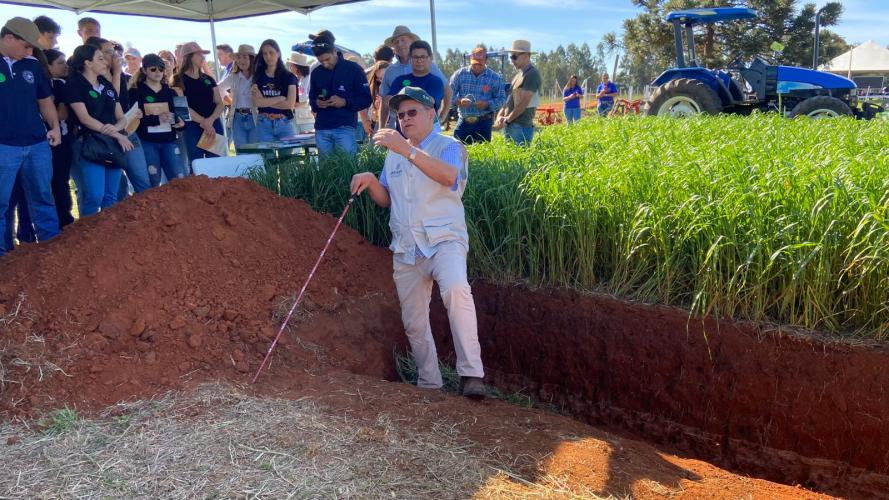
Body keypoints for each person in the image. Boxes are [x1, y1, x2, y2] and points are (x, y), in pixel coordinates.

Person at [349, 87, 485, 400]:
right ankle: (429, 384)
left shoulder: (449, 146)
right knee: (413, 320)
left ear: (431, 114)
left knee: (455, 289)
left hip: (444, 240)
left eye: (412, 112)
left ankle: (471, 374)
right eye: (400, 114)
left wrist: (408, 151)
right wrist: (371, 181)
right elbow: (386, 198)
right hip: (406, 246)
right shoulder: (393, 155)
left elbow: (450, 177)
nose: (405, 119)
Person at [0, 17, 61, 256]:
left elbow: (45, 100)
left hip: (37, 144)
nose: (29, 51)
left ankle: (52, 252)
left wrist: (54, 126)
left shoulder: (33, 65)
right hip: (3, 146)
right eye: (26, 46)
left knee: (43, 199)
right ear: (8, 38)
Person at [64, 44, 133, 217]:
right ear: (87, 63)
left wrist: (116, 128)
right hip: (89, 144)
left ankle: (106, 237)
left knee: (110, 195)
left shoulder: (107, 86)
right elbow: (85, 119)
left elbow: (122, 117)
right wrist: (117, 134)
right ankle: (87, 236)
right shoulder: (74, 85)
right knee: (95, 195)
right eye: (100, 59)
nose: (106, 62)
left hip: (113, 144)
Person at [308, 35, 371, 158]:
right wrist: (317, 103)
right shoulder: (316, 73)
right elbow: (312, 100)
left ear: (334, 51)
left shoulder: (354, 70)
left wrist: (345, 102)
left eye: (327, 59)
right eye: (321, 61)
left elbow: (366, 99)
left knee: (347, 169)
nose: (325, 64)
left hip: (344, 128)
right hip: (322, 129)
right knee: (326, 171)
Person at [128, 53, 185, 187]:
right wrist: (156, 119)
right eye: (153, 69)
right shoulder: (134, 92)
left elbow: (184, 119)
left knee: (180, 179)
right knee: (153, 181)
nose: (158, 72)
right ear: (144, 70)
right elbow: (133, 121)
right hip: (147, 142)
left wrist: (180, 123)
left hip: (170, 141)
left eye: (161, 69)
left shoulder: (173, 93)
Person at [379, 25, 450, 129]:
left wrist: (442, 116)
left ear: (412, 41)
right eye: (396, 42)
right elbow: (385, 100)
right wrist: (382, 127)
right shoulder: (390, 71)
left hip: (427, 125)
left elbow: (447, 91)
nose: (400, 44)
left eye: (403, 40)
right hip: (400, 123)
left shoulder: (429, 66)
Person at [171, 41, 224, 170]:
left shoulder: (208, 79)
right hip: (191, 127)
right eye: (199, 54)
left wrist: (210, 121)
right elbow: (182, 108)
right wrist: (203, 122)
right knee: (196, 164)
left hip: (213, 125)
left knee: (216, 164)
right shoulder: (177, 79)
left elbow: (219, 103)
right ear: (189, 57)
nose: (203, 57)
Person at [449, 47, 506, 144]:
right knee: (457, 151)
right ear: (470, 59)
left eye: (480, 63)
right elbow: (448, 95)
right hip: (463, 121)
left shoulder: (495, 78)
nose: (477, 66)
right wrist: (459, 101)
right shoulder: (459, 74)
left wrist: (487, 104)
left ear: (486, 60)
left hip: (484, 123)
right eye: (474, 63)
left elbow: (501, 99)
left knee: (483, 155)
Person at [386, 40, 444, 133]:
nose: (419, 60)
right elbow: (389, 101)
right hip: (402, 136)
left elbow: (430, 101)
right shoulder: (399, 80)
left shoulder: (436, 82)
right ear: (410, 58)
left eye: (423, 57)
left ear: (430, 58)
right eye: (415, 57)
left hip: (428, 135)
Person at [46, 48, 74, 227]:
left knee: (60, 182)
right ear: (47, 66)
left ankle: (64, 221)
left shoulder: (61, 84)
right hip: (46, 141)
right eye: (60, 63)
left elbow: (62, 114)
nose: (66, 66)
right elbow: (61, 114)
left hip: (59, 140)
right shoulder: (55, 85)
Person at [494, 40, 541, 147]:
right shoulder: (518, 76)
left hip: (520, 126)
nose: (512, 60)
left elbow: (523, 103)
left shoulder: (532, 74)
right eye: (511, 57)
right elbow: (509, 100)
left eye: (514, 57)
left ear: (526, 55)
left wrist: (507, 120)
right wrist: (500, 116)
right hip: (511, 125)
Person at [252, 39, 297, 142]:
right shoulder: (258, 77)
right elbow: (256, 102)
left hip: (284, 123)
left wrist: (264, 101)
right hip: (263, 123)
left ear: (278, 53)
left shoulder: (289, 77)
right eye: (265, 54)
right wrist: (279, 98)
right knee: (267, 157)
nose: (268, 56)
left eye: (271, 52)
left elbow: (290, 104)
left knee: (288, 158)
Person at [219, 44, 257, 148]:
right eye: (239, 58)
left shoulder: (259, 77)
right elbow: (218, 88)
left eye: (245, 57)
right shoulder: (233, 77)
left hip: (255, 118)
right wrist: (229, 100)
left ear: (252, 59)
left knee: (256, 151)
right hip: (237, 118)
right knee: (241, 151)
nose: (241, 61)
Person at [287, 52, 315, 134]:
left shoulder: (308, 79)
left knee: (309, 142)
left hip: (306, 117)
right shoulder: (293, 79)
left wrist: (298, 104)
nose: (290, 67)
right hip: (294, 117)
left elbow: (311, 96)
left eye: (291, 65)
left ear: (296, 67)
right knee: (295, 143)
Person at [363, 60, 390, 138]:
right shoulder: (375, 92)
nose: (382, 82)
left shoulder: (399, 89)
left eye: (385, 78)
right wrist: (378, 110)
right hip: (379, 133)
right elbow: (374, 119)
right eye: (379, 79)